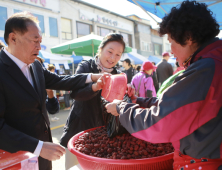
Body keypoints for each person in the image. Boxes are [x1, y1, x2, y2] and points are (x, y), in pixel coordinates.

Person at [105, 1, 222, 169]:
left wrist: (122, 109)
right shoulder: (213, 61)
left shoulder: (207, 69)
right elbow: (179, 106)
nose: (171, 51)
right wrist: (138, 101)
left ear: (188, 38)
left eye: (171, 42)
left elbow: (160, 123)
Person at [0, 12, 107, 170]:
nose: (39, 47)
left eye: (40, 41)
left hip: (44, 154)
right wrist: (38, 146)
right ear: (13, 38)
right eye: (34, 41)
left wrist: (92, 77)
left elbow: (60, 81)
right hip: (16, 157)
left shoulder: (35, 65)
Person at [60, 33, 125, 170]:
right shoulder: (86, 67)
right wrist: (95, 86)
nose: (113, 58)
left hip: (103, 132)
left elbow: (118, 102)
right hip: (79, 128)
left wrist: (127, 94)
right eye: (110, 51)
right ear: (100, 49)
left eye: (118, 54)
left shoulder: (118, 75)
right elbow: (76, 93)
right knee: (74, 166)